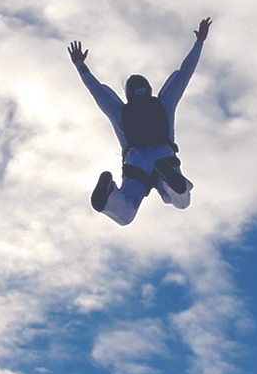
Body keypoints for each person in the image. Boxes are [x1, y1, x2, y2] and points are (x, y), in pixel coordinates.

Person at [70, 19, 210, 225]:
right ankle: (170, 182)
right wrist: (199, 42)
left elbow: (97, 91)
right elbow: (184, 75)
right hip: (163, 153)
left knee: (125, 215)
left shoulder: (120, 111)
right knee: (181, 202)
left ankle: (110, 194)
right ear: (149, 90)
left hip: (135, 160)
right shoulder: (164, 103)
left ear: (127, 94)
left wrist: (80, 65)